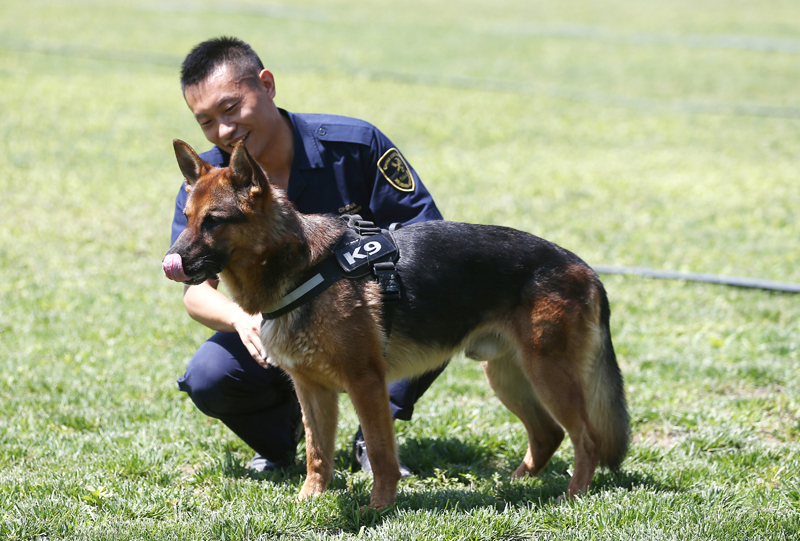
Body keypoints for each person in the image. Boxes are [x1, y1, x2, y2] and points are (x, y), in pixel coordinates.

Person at [169, 37, 446, 474]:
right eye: (205, 121)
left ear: (267, 85)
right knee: (211, 374)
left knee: (437, 303)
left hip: (368, 322)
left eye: (230, 108)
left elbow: (427, 238)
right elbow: (194, 292)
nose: (223, 131)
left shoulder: (355, 146)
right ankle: (286, 438)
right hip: (273, 328)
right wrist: (244, 320)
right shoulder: (209, 184)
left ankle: (373, 439)